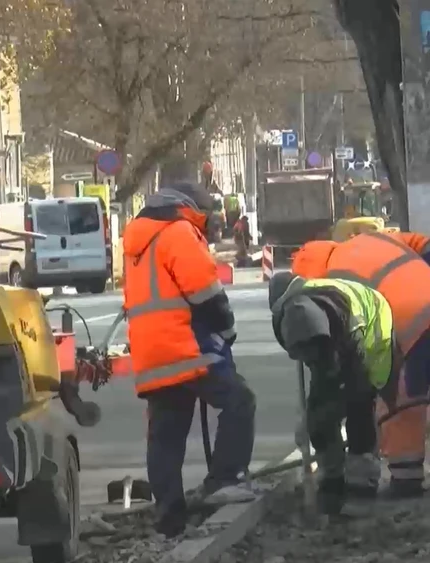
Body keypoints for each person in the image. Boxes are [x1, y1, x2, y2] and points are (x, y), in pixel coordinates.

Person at [122, 182, 257, 538]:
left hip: (152, 354)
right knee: (239, 401)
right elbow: (205, 291)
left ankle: (169, 516)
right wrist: (226, 328)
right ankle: (226, 478)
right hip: (186, 344)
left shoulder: (137, 240)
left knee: (165, 435)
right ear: (190, 207)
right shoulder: (179, 230)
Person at [291, 232, 430, 496]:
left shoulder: (333, 284)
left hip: (408, 324)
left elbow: (348, 364)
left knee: (398, 400)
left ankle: (406, 480)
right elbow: (423, 244)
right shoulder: (369, 240)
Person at [268, 272, 394, 512]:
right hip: (332, 336)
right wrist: (311, 419)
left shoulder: (349, 328)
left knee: (359, 407)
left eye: (312, 353)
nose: (307, 359)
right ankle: (333, 479)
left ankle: (361, 482)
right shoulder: (295, 316)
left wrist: (316, 416)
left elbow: (350, 388)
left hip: (372, 335)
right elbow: (321, 378)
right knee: (319, 409)